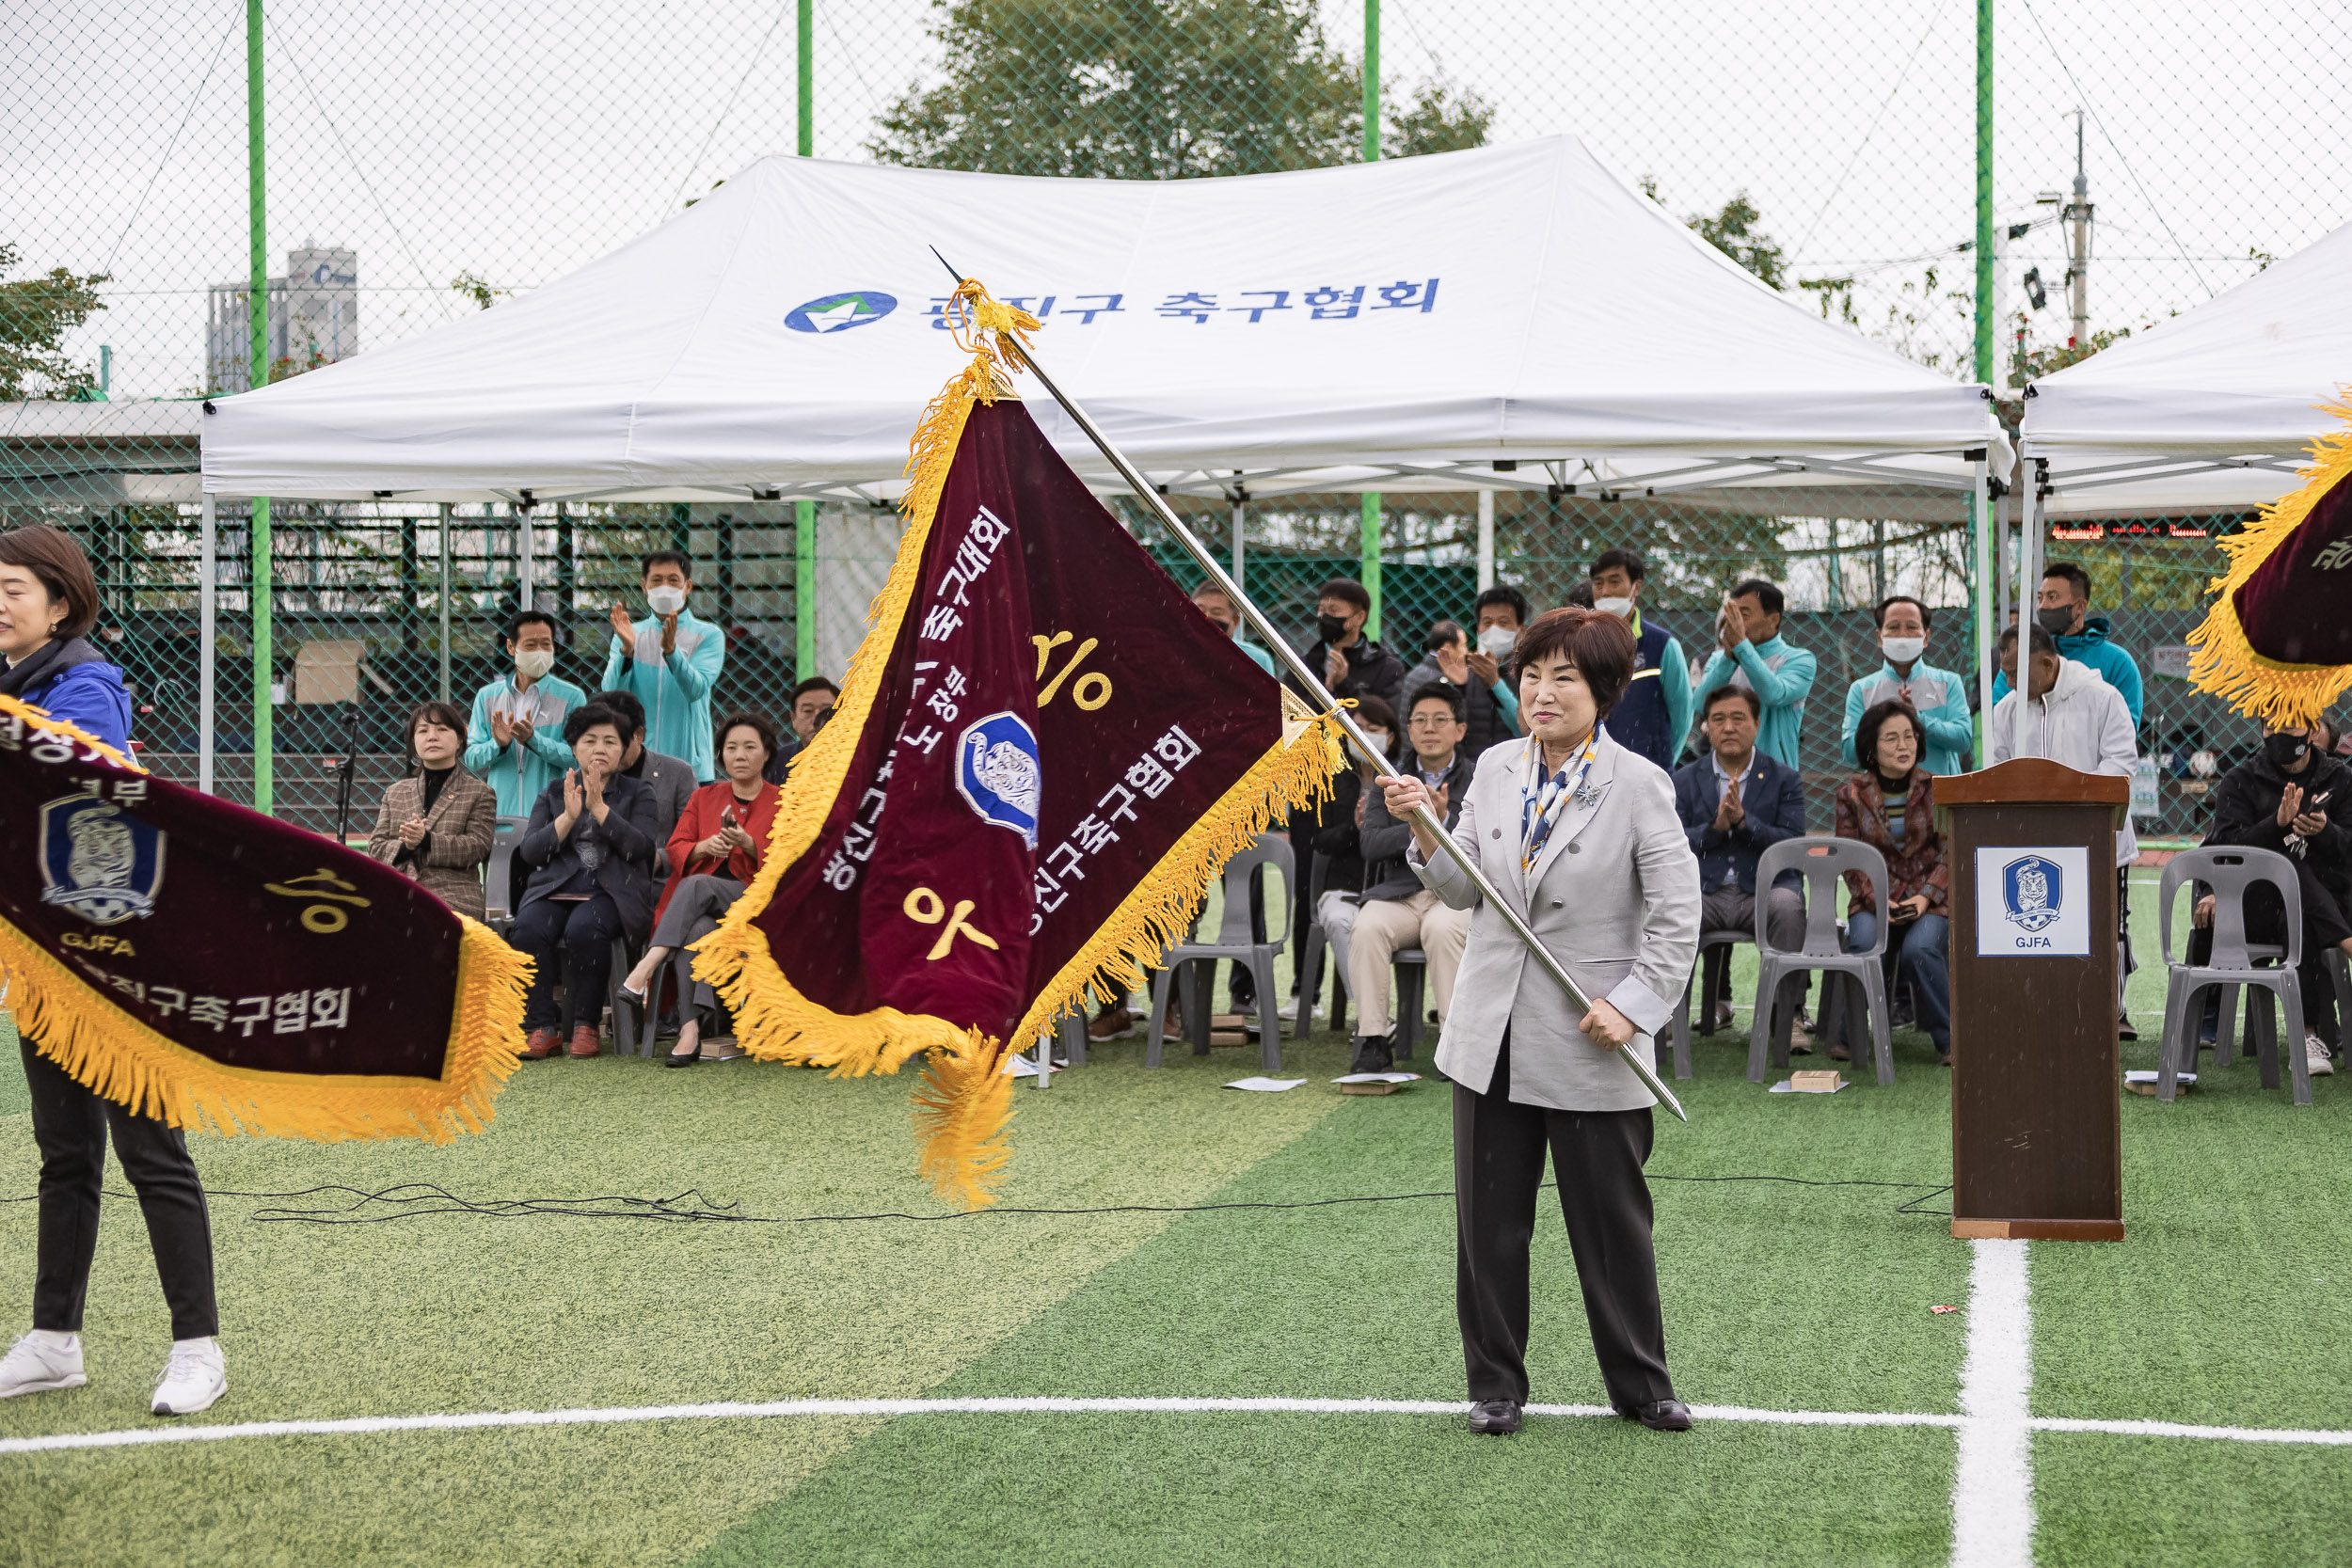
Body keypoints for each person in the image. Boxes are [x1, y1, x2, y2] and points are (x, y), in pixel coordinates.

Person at [1383, 606, 1697, 1436]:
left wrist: (1631, 1007)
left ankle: (1641, 1383)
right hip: (1490, 1029)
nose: (1541, 691)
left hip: (1594, 1033)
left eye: (1563, 676)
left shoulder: (1639, 783)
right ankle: (1494, 1385)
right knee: (1489, 1225)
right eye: (1531, 674)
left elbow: (1676, 916)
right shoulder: (1492, 768)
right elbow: (1462, 888)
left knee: (1611, 1224)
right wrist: (1423, 824)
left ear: (1603, 689)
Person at [0, 525, 226, 1418]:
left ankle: (198, 1349)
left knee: (152, 1153)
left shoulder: (85, 683)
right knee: (64, 1153)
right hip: (45, 961)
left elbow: (75, 778)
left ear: (61, 602)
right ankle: (54, 1340)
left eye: (12, 587)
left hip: (118, 958)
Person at [1990, 624, 2140, 1037]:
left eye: (2016, 672)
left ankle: (2111, 1013)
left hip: (2100, 843)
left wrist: (2066, 797)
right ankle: (2043, 1008)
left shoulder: (2103, 699)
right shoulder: (2005, 711)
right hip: (2030, 846)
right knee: (2039, 928)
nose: (2008, 681)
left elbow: (2121, 766)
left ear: (2047, 662)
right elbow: (1998, 773)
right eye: (2004, 671)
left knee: (2107, 928)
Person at [621, 712, 783, 1067]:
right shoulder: (703, 797)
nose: (739, 755)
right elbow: (677, 847)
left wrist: (750, 845)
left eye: (749, 747)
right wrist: (704, 848)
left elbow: (791, 860)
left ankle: (647, 964)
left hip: (756, 902)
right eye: (731, 748)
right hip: (703, 907)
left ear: (766, 754)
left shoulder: (783, 801)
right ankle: (691, 1029)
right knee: (697, 930)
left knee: (696, 884)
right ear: (721, 754)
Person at [2197, 717, 2352, 1078]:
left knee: (2298, 897)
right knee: (2283, 868)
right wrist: (2276, 826)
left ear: (2313, 729)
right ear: (2262, 731)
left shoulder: (2340, 779)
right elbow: (2224, 850)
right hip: (2257, 906)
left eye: (2292, 725)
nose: (2280, 735)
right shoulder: (2241, 780)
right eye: (2271, 727)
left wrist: (2326, 832)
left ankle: (2310, 1034)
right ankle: (2311, 1030)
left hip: (2328, 901)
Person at [509, 703, 662, 1059]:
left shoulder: (639, 793)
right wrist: (567, 817)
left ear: (623, 749)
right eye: (589, 741)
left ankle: (585, 1025)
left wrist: (600, 810)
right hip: (555, 890)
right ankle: (542, 1028)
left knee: (584, 928)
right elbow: (531, 852)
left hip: (611, 892)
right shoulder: (553, 791)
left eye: (610, 742)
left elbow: (640, 847)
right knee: (529, 927)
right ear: (574, 748)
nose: (599, 749)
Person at [1346, 689, 1477, 1071]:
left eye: (1440, 720)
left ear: (1460, 729)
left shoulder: (1479, 777)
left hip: (1453, 896)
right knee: (1368, 926)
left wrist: (1438, 824)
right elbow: (1369, 843)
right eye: (1419, 720)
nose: (1429, 728)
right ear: (1408, 729)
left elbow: (1483, 839)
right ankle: (1372, 1039)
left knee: (1442, 929)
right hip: (1400, 893)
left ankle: (1454, 1044)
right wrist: (1418, 823)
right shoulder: (1389, 777)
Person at [1672, 685, 1810, 1043]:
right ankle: (1667, 1018)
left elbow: (1793, 846)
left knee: (1788, 905)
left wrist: (1747, 824)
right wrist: (1715, 829)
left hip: (1763, 891)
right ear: (1707, 728)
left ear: (1757, 724)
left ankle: (1788, 1017)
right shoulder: (1684, 780)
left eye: (1738, 718)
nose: (1728, 727)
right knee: (1671, 910)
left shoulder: (1785, 780)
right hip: (1705, 891)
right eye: (1718, 719)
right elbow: (1672, 844)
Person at [1836, 701, 1953, 1065]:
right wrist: (1876, 900)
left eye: (1910, 737)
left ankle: (1951, 1040)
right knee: (1867, 942)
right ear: (1871, 747)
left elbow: (1952, 852)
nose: (1904, 746)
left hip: (1928, 899)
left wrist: (1926, 898)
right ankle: (1849, 1036)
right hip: (1873, 899)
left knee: (1922, 949)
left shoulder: (1939, 789)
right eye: (1892, 739)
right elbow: (1849, 860)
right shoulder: (1850, 794)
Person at [1295, 694, 1396, 1023]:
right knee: (1339, 921)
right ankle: (1371, 1016)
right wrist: (1354, 829)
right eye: (1356, 727)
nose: (1363, 734)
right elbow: (1318, 840)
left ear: (1390, 735)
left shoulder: (1402, 776)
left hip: (1392, 891)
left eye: (1373, 728)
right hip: (1342, 887)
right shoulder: (1333, 779)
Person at [0, 524, 132, 749]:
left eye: (14, 592)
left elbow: (44, 779)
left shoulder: (88, 697)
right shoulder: (12, 676)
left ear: (60, 608)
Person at [366, 701, 498, 921]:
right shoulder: (395, 792)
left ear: (460, 740)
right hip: (398, 890)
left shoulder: (479, 793)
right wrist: (406, 846)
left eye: (442, 729)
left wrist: (426, 840)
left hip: (454, 896)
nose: (432, 737)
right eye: (423, 731)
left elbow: (477, 847)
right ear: (413, 741)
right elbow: (376, 848)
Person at [602, 549, 726, 783]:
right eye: (656, 580)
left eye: (673, 580)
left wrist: (672, 653)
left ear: (687, 586)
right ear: (644, 585)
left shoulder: (708, 635)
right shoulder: (629, 634)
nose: (664, 587)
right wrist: (626, 651)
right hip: (636, 764)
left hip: (692, 768)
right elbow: (610, 693)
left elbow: (696, 689)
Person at [462, 610, 586, 816]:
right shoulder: (487, 697)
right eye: (530, 645)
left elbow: (579, 757)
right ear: (511, 647)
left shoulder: (572, 697)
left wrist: (534, 740)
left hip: (553, 817)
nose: (540, 651)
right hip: (501, 814)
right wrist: (498, 745)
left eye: (546, 644)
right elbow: (472, 759)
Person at [1992, 561, 2144, 725]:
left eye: (2052, 597)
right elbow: (1999, 718)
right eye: (2040, 598)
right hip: (2029, 752)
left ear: (2079, 606)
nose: (2043, 605)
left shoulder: (2118, 663)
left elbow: (2123, 732)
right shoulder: (2020, 657)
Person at [1840, 595, 1972, 776]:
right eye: (1893, 627)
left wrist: (1919, 719)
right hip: (1882, 798)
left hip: (1940, 796)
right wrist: (1882, 723)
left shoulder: (1948, 683)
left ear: (1926, 637)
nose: (1902, 634)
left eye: (1911, 627)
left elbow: (1963, 740)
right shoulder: (1861, 690)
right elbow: (1850, 753)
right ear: (1879, 637)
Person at [1587, 549, 1693, 773]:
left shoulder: (1663, 645)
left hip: (1650, 770)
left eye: (1614, 582)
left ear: (1636, 587)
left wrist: (1662, 761)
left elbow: (1682, 714)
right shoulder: (1582, 644)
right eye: (1598, 584)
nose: (1605, 591)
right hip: (1592, 771)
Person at [1695, 578, 1816, 774]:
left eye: (1743, 615)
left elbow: (1774, 694)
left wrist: (1742, 647)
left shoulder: (1799, 659)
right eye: (1731, 616)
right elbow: (1700, 704)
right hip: (1720, 777)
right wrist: (1728, 658)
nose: (1735, 624)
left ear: (1773, 620)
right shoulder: (1719, 659)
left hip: (1775, 779)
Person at [592, 687, 696, 844]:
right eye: (594, 740)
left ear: (639, 735)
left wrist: (660, 859)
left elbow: (692, 838)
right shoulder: (583, 777)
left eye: (613, 740)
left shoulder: (679, 773)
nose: (604, 750)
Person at [1286, 577, 1405, 711]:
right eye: (1322, 610)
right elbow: (1291, 718)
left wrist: (1344, 686)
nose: (1324, 617)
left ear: (1359, 617)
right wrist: (1327, 691)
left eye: (1334, 610)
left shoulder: (1386, 667)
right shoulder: (1302, 667)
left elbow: (1381, 722)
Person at [1400, 620, 1515, 760]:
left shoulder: (1416, 674)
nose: (1466, 651)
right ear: (1448, 647)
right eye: (1463, 646)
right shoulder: (1441, 679)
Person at [1468, 585, 1529, 740]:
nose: (1494, 629)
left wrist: (1495, 684)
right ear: (1478, 628)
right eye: (1487, 623)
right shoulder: (1468, 673)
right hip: (1474, 763)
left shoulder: (1530, 674)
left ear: (1521, 630)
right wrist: (1458, 686)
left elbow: (1525, 730)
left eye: (1503, 622)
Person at [1190, 582, 1278, 675]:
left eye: (1216, 612)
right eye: (1199, 611)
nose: (1206, 617)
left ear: (1235, 621)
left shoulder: (1255, 660)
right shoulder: (1177, 650)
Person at [766, 676, 840, 783]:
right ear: (793, 718)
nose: (816, 719)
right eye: (808, 711)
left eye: (825, 711)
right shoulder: (777, 762)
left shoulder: (859, 759)